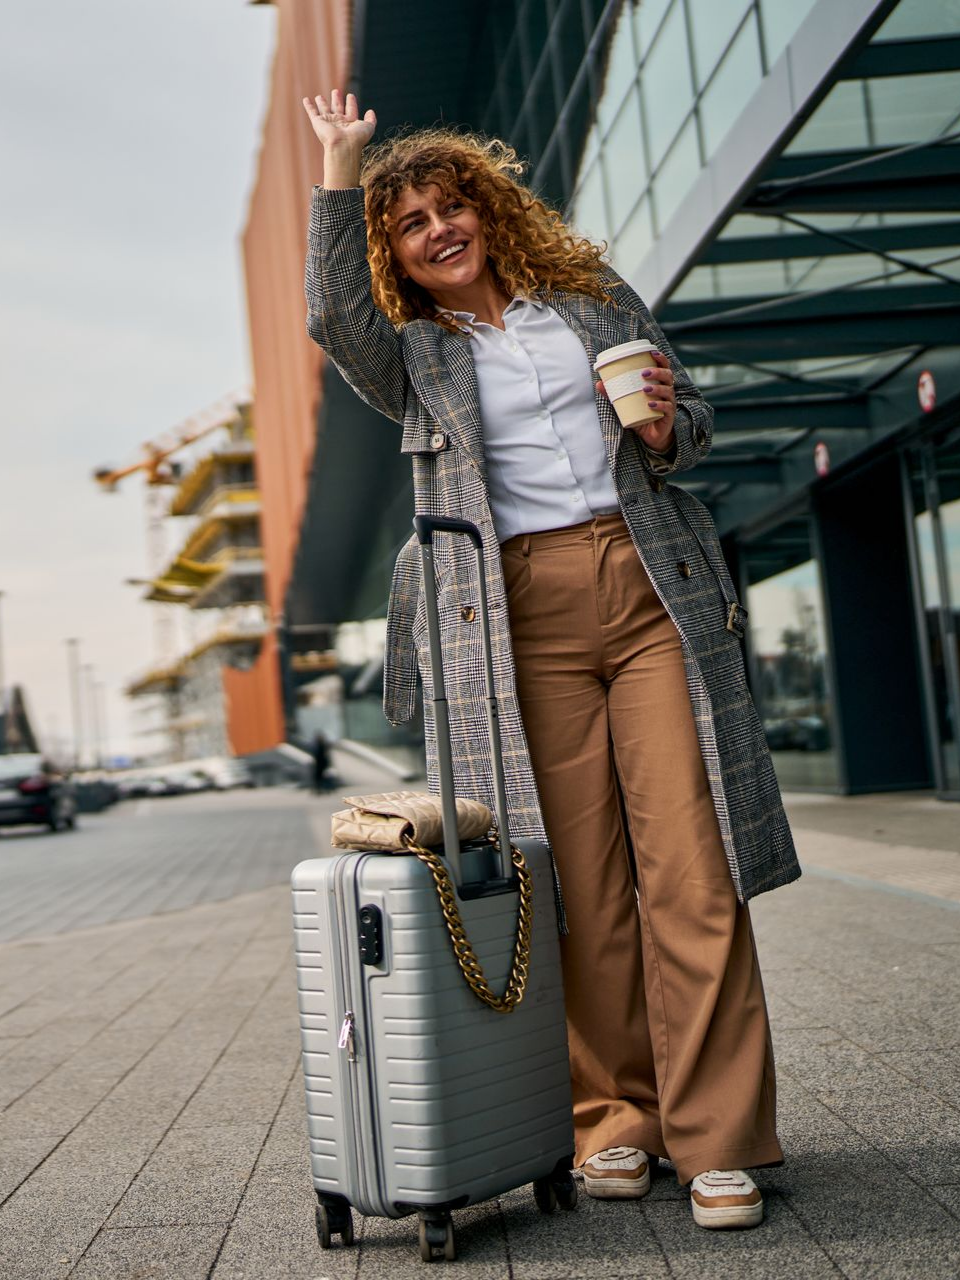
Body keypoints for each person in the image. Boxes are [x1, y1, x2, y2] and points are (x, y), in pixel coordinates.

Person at [302, 89, 800, 1231]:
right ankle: (613, 1117)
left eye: (451, 206)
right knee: (577, 883)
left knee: (694, 864)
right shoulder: (412, 356)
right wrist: (341, 167)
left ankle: (720, 1138)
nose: (438, 230)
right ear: (395, 255)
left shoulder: (590, 300)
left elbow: (690, 418)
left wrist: (667, 428)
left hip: (650, 584)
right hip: (513, 612)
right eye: (410, 224)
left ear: (489, 209)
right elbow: (332, 315)